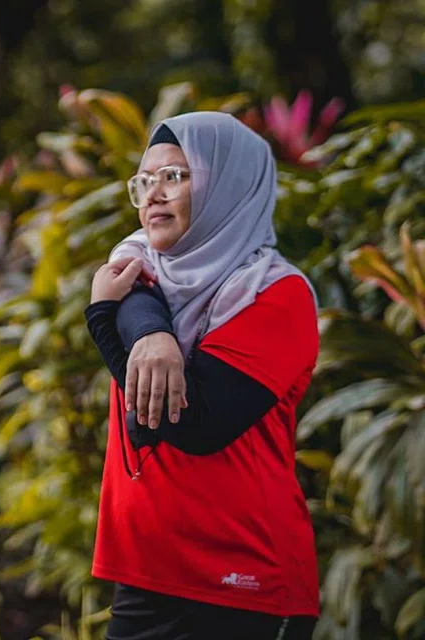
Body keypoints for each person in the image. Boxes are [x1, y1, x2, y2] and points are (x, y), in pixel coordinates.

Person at [84, 112, 320, 639]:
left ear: (227, 185)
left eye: (176, 176)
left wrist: (104, 321)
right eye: (145, 181)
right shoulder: (140, 270)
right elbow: (137, 294)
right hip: (145, 570)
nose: (154, 195)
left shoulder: (276, 296)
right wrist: (144, 328)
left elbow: (199, 425)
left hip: (243, 580)